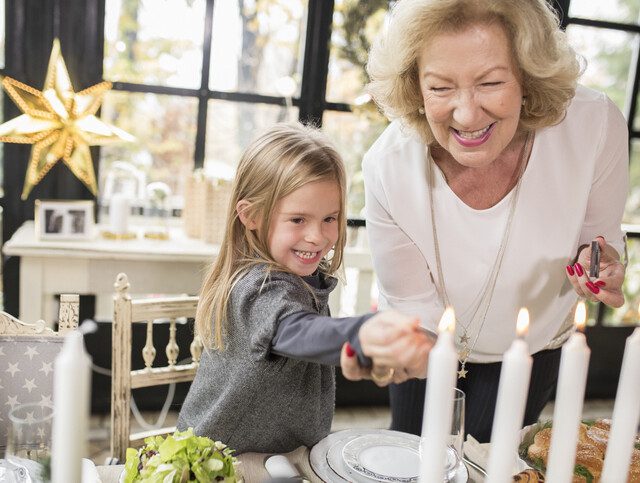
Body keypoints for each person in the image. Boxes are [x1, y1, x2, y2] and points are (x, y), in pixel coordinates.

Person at [343, 0, 628, 443]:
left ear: (528, 77)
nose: (467, 115)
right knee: (413, 453)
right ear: (414, 87)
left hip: (533, 347)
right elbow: (414, 308)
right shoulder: (388, 166)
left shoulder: (593, 126)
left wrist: (600, 267)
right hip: (429, 345)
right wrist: (381, 354)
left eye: (491, 82)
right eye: (440, 88)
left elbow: (598, 244)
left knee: (497, 462)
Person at [177, 122, 433, 454]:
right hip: (218, 463)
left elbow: (314, 342)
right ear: (250, 215)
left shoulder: (304, 280)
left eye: (330, 218)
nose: (317, 236)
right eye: (298, 220)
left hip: (280, 458)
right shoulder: (257, 287)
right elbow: (298, 331)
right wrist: (364, 331)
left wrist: (370, 352)